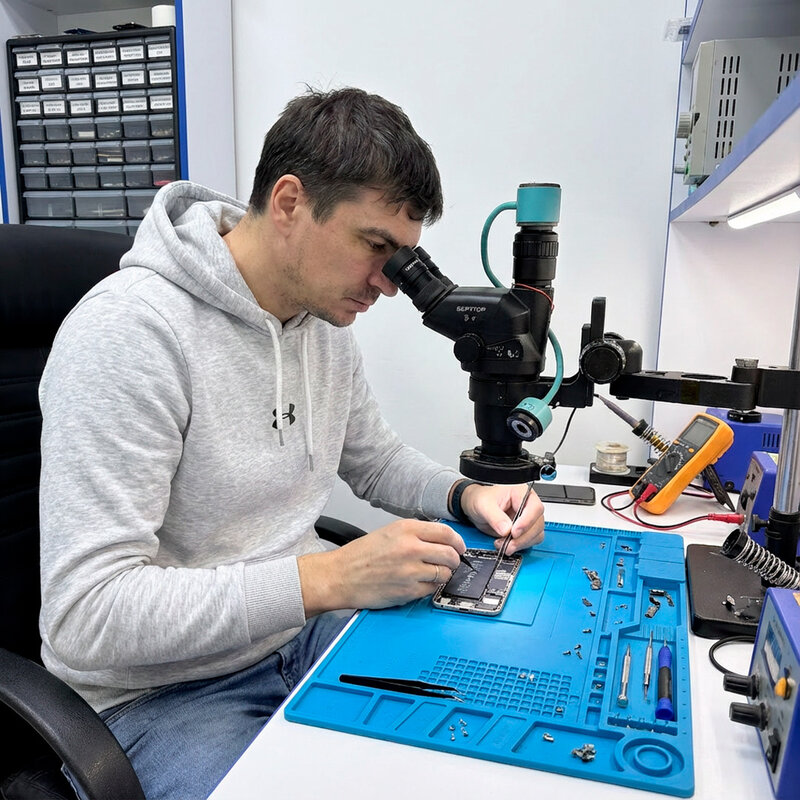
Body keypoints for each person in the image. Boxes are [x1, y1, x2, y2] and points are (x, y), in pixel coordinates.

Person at [38, 87, 545, 800]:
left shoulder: (321, 325)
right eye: (376, 247)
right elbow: (87, 614)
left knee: (481, 738)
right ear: (288, 203)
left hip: (300, 638)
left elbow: (374, 459)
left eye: (403, 258)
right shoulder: (128, 336)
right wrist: (327, 579)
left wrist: (468, 495)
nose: (388, 285)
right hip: (158, 696)